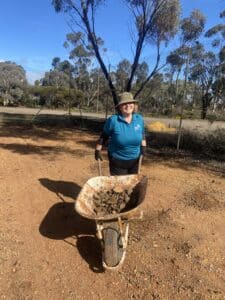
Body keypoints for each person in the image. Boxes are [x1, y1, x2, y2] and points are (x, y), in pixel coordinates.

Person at [95, 92, 147, 175]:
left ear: (134, 104)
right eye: (124, 104)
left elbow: (142, 134)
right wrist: (97, 150)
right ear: (119, 107)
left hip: (135, 160)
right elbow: (104, 136)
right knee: (119, 187)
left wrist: (144, 147)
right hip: (117, 161)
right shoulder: (113, 120)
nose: (128, 106)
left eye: (130, 103)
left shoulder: (139, 119)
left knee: (132, 184)